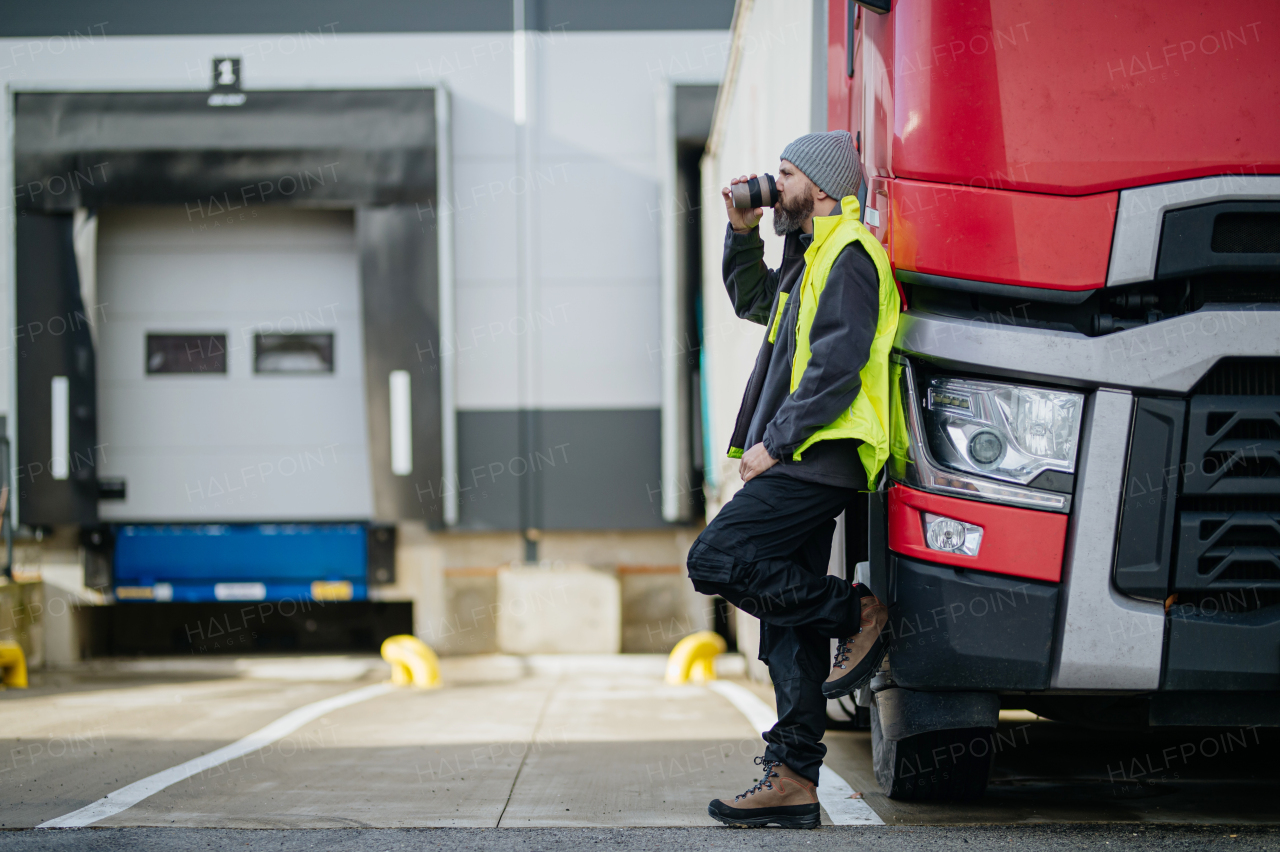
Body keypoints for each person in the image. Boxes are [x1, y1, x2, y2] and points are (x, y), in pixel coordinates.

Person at [687, 130, 900, 829]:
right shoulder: (807, 259)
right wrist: (740, 230)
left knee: (715, 558)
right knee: (786, 625)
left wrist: (773, 445)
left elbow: (837, 368)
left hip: (817, 457)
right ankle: (794, 779)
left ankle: (854, 612)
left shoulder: (849, 255)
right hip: (803, 457)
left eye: (784, 175)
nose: (773, 186)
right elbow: (752, 300)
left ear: (822, 184)